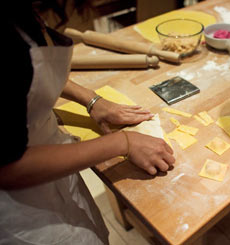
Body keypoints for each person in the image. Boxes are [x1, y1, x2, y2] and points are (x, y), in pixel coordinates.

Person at [1, 1, 174, 244]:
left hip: (51, 162)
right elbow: (8, 167)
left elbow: (30, 77)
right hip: (15, 210)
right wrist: (123, 142)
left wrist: (92, 101)